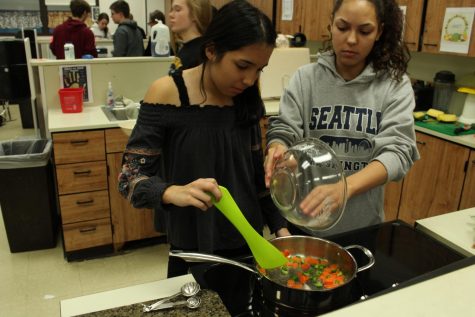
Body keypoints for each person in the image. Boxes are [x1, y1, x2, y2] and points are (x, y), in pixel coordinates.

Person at [118, 0, 289, 278]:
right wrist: (170, 192)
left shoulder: (245, 99)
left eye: (259, 69)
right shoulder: (166, 93)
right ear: (211, 50)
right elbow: (129, 177)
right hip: (193, 247)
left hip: (249, 244)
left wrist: (280, 229)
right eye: (242, 65)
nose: (249, 79)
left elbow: (257, 179)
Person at [264, 0, 420, 237]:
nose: (351, 40)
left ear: (379, 32)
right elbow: (285, 128)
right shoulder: (305, 79)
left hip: (362, 227)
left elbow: (398, 152)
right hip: (305, 222)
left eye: (364, 31)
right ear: (331, 26)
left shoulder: (393, 86)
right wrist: (278, 148)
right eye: (343, 27)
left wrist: (345, 188)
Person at [168, 0, 213, 73]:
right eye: (171, 10)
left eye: (177, 10)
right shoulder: (186, 49)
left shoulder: (201, 54)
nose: (170, 15)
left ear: (195, 14)